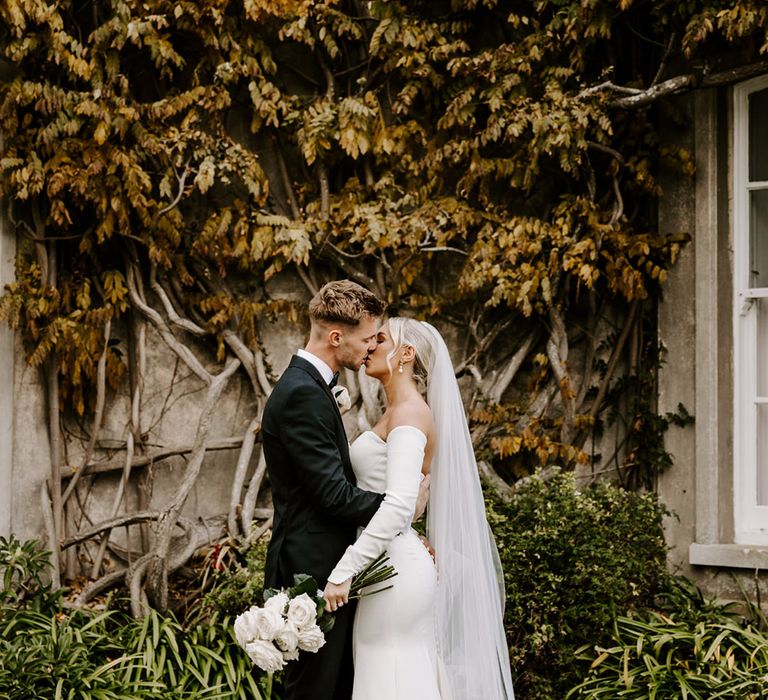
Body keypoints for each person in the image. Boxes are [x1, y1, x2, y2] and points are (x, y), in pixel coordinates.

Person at [323, 318, 515, 700]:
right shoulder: (397, 410)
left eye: (380, 339)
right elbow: (404, 500)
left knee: (390, 677)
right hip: (388, 563)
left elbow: (395, 507)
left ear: (405, 354)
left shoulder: (409, 413)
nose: (369, 346)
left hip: (392, 572)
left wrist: (343, 571)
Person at [262, 281, 430, 700]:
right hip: (314, 571)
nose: (372, 346)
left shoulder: (312, 387)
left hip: (341, 567)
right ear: (337, 337)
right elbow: (334, 496)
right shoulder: (303, 393)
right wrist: (400, 514)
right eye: (368, 337)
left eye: (379, 338)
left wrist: (401, 527)